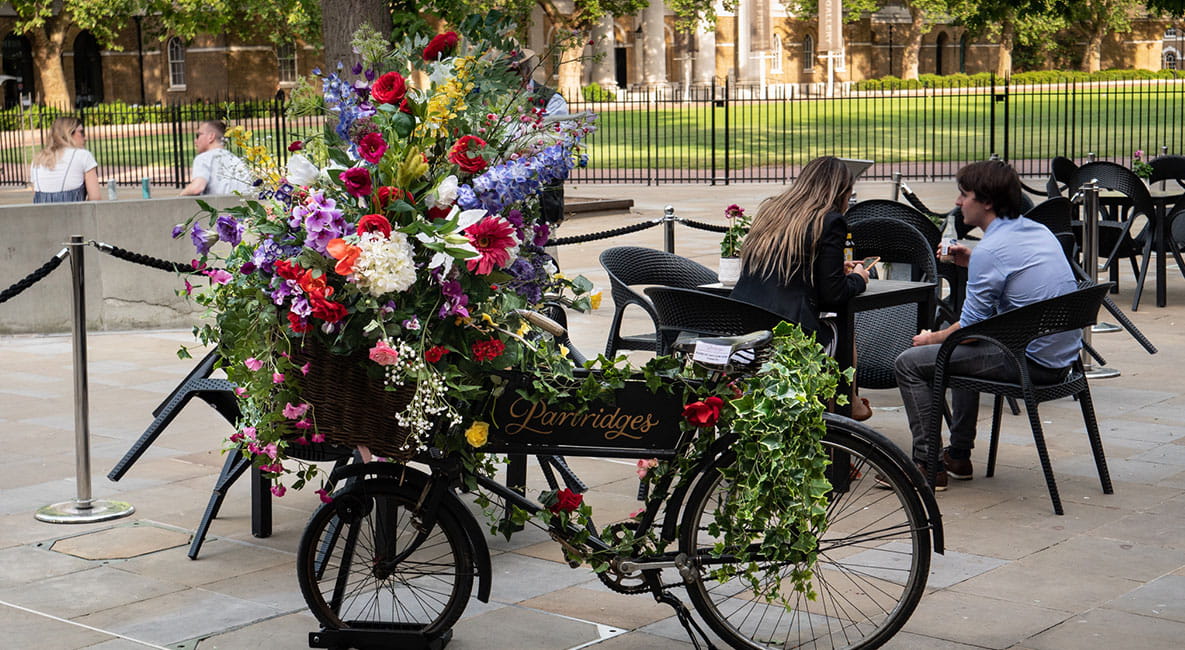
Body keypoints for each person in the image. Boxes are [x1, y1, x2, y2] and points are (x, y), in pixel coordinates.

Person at [894, 160, 1080, 490]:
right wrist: (973, 260)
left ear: (987, 202)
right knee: (968, 350)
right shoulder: (1037, 231)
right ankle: (959, 456)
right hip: (1062, 357)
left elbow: (965, 333)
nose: (957, 202)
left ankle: (927, 464)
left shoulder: (991, 251)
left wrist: (929, 338)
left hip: (1030, 363)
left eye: (963, 194)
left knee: (911, 363)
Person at [730, 155, 873, 419]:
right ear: (841, 192)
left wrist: (827, 271)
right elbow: (833, 295)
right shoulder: (829, 220)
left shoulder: (772, 210)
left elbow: (789, 270)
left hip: (744, 320)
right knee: (841, 327)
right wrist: (859, 278)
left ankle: (845, 409)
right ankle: (846, 405)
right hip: (789, 331)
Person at [511, 49, 568, 225]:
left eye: (513, 71)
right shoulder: (493, 101)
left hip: (541, 195)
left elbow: (557, 142)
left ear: (526, 70)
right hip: (504, 195)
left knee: (542, 248)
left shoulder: (551, 100)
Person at [31, 116, 100, 203]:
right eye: (81, 132)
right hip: (74, 214)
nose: (85, 138)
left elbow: (36, 195)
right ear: (69, 133)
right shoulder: (83, 155)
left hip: (42, 215)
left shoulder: (38, 159)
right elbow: (95, 198)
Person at [180, 120, 253, 196]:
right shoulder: (236, 160)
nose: (195, 141)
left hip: (218, 206)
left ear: (211, 137)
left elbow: (197, 187)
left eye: (198, 135)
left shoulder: (204, 158)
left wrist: (179, 196)